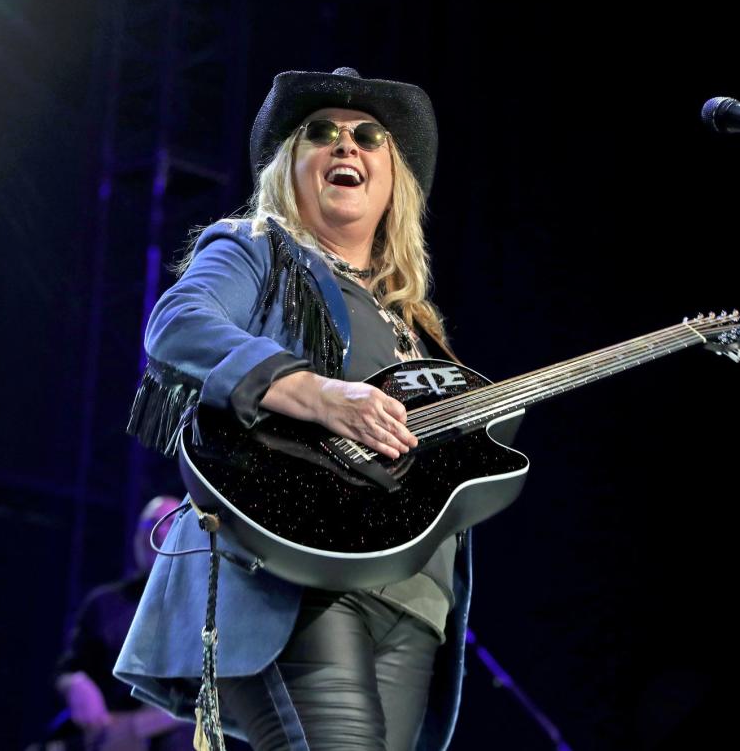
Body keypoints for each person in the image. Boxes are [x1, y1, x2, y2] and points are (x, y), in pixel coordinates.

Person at [116, 67, 473, 751]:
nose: (346, 146)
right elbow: (179, 323)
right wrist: (321, 393)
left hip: (414, 606)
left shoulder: (417, 325)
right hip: (291, 580)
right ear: (289, 166)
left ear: (394, 178)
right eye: (321, 133)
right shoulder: (256, 249)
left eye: (369, 136)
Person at [49, 495, 198, 751]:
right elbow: (69, 668)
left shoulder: (206, 608)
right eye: (152, 523)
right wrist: (74, 683)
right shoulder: (104, 602)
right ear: (137, 539)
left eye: (172, 523)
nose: (160, 533)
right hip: (102, 735)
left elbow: (216, 698)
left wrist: (133, 727)